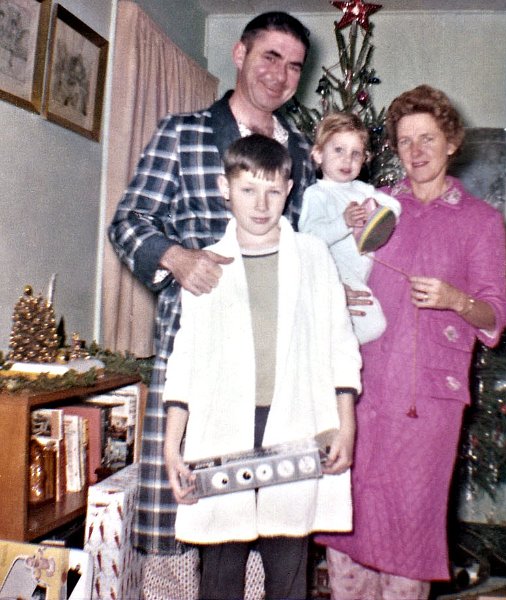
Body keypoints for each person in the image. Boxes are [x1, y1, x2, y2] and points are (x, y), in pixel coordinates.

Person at [107, 9, 316, 578]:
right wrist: (176, 258)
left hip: (277, 371)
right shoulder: (185, 132)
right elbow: (128, 223)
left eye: (294, 65)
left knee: (270, 520)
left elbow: (312, 250)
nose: (280, 74)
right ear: (240, 54)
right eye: (270, 56)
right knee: (192, 512)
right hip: (199, 357)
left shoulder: (300, 153)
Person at [316, 84, 506, 599]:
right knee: (351, 518)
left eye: (428, 138)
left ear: (451, 141)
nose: (417, 152)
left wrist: (455, 298)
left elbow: (496, 311)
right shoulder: (375, 207)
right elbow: (319, 265)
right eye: (405, 141)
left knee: (409, 524)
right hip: (360, 392)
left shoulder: (481, 222)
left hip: (428, 404)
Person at [162, 134, 361, 600]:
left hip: (295, 425)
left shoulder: (313, 257)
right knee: (220, 568)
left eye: (273, 190)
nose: (260, 203)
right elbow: (185, 360)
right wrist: (174, 447)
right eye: (248, 189)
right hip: (224, 430)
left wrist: (344, 427)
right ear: (224, 187)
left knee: (289, 565)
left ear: (289, 189)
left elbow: (340, 344)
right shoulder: (208, 265)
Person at [298, 112, 401, 344]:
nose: (347, 160)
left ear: (365, 159)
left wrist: (381, 216)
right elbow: (309, 237)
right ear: (317, 154)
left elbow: (394, 205)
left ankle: (331, 343)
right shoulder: (317, 194)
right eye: (338, 150)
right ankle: (326, 345)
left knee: (371, 323)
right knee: (374, 325)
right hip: (335, 273)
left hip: (360, 275)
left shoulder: (362, 190)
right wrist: (343, 222)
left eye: (356, 154)